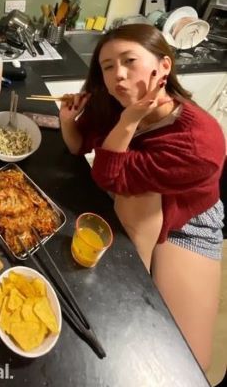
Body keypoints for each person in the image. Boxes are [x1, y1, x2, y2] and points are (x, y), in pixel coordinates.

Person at [60, 24, 225, 370]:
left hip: (189, 219)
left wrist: (129, 120)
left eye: (129, 61)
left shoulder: (200, 143)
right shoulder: (110, 102)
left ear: (164, 66)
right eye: (107, 66)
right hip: (134, 200)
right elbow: (79, 146)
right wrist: (68, 120)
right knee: (120, 295)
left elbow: (107, 174)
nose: (118, 74)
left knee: (186, 360)